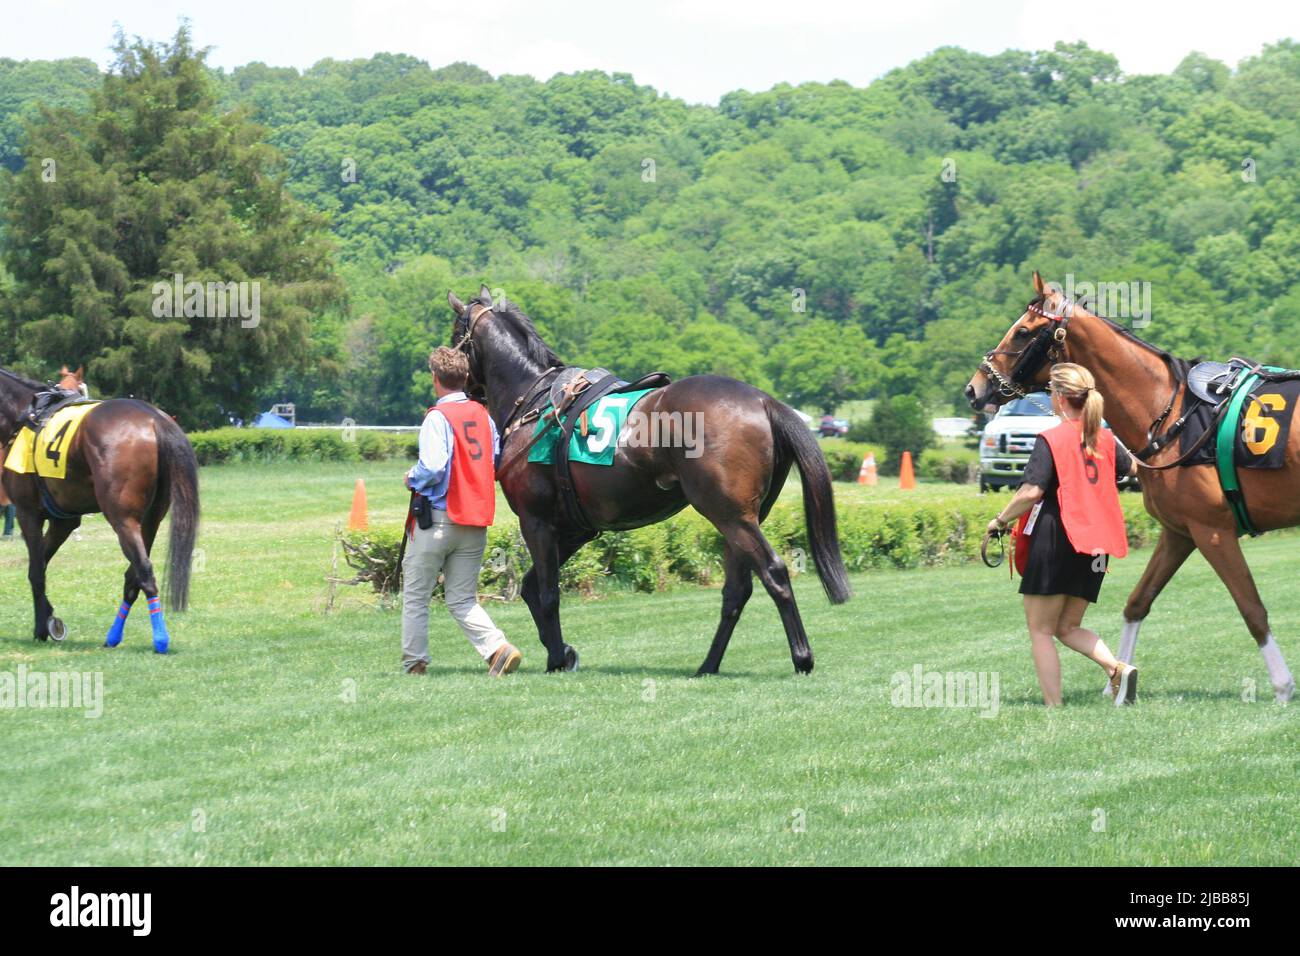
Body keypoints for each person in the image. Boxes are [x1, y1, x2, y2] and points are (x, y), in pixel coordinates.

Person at [986, 363, 1139, 707]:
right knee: (1067, 626)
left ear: (1058, 397)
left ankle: (1054, 707)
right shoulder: (1106, 439)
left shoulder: (1052, 438)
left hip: (1058, 539)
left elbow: (1031, 492)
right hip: (1098, 547)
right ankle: (1117, 671)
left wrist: (999, 520)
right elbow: (1132, 469)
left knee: (1041, 629)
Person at [401, 346, 521, 677]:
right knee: (462, 598)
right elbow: (495, 460)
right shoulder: (483, 415)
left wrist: (411, 477)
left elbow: (434, 467)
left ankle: (415, 664)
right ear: (467, 378)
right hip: (474, 520)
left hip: (438, 519)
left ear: (435, 379)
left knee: (416, 596)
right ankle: (498, 649)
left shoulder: (437, 417)